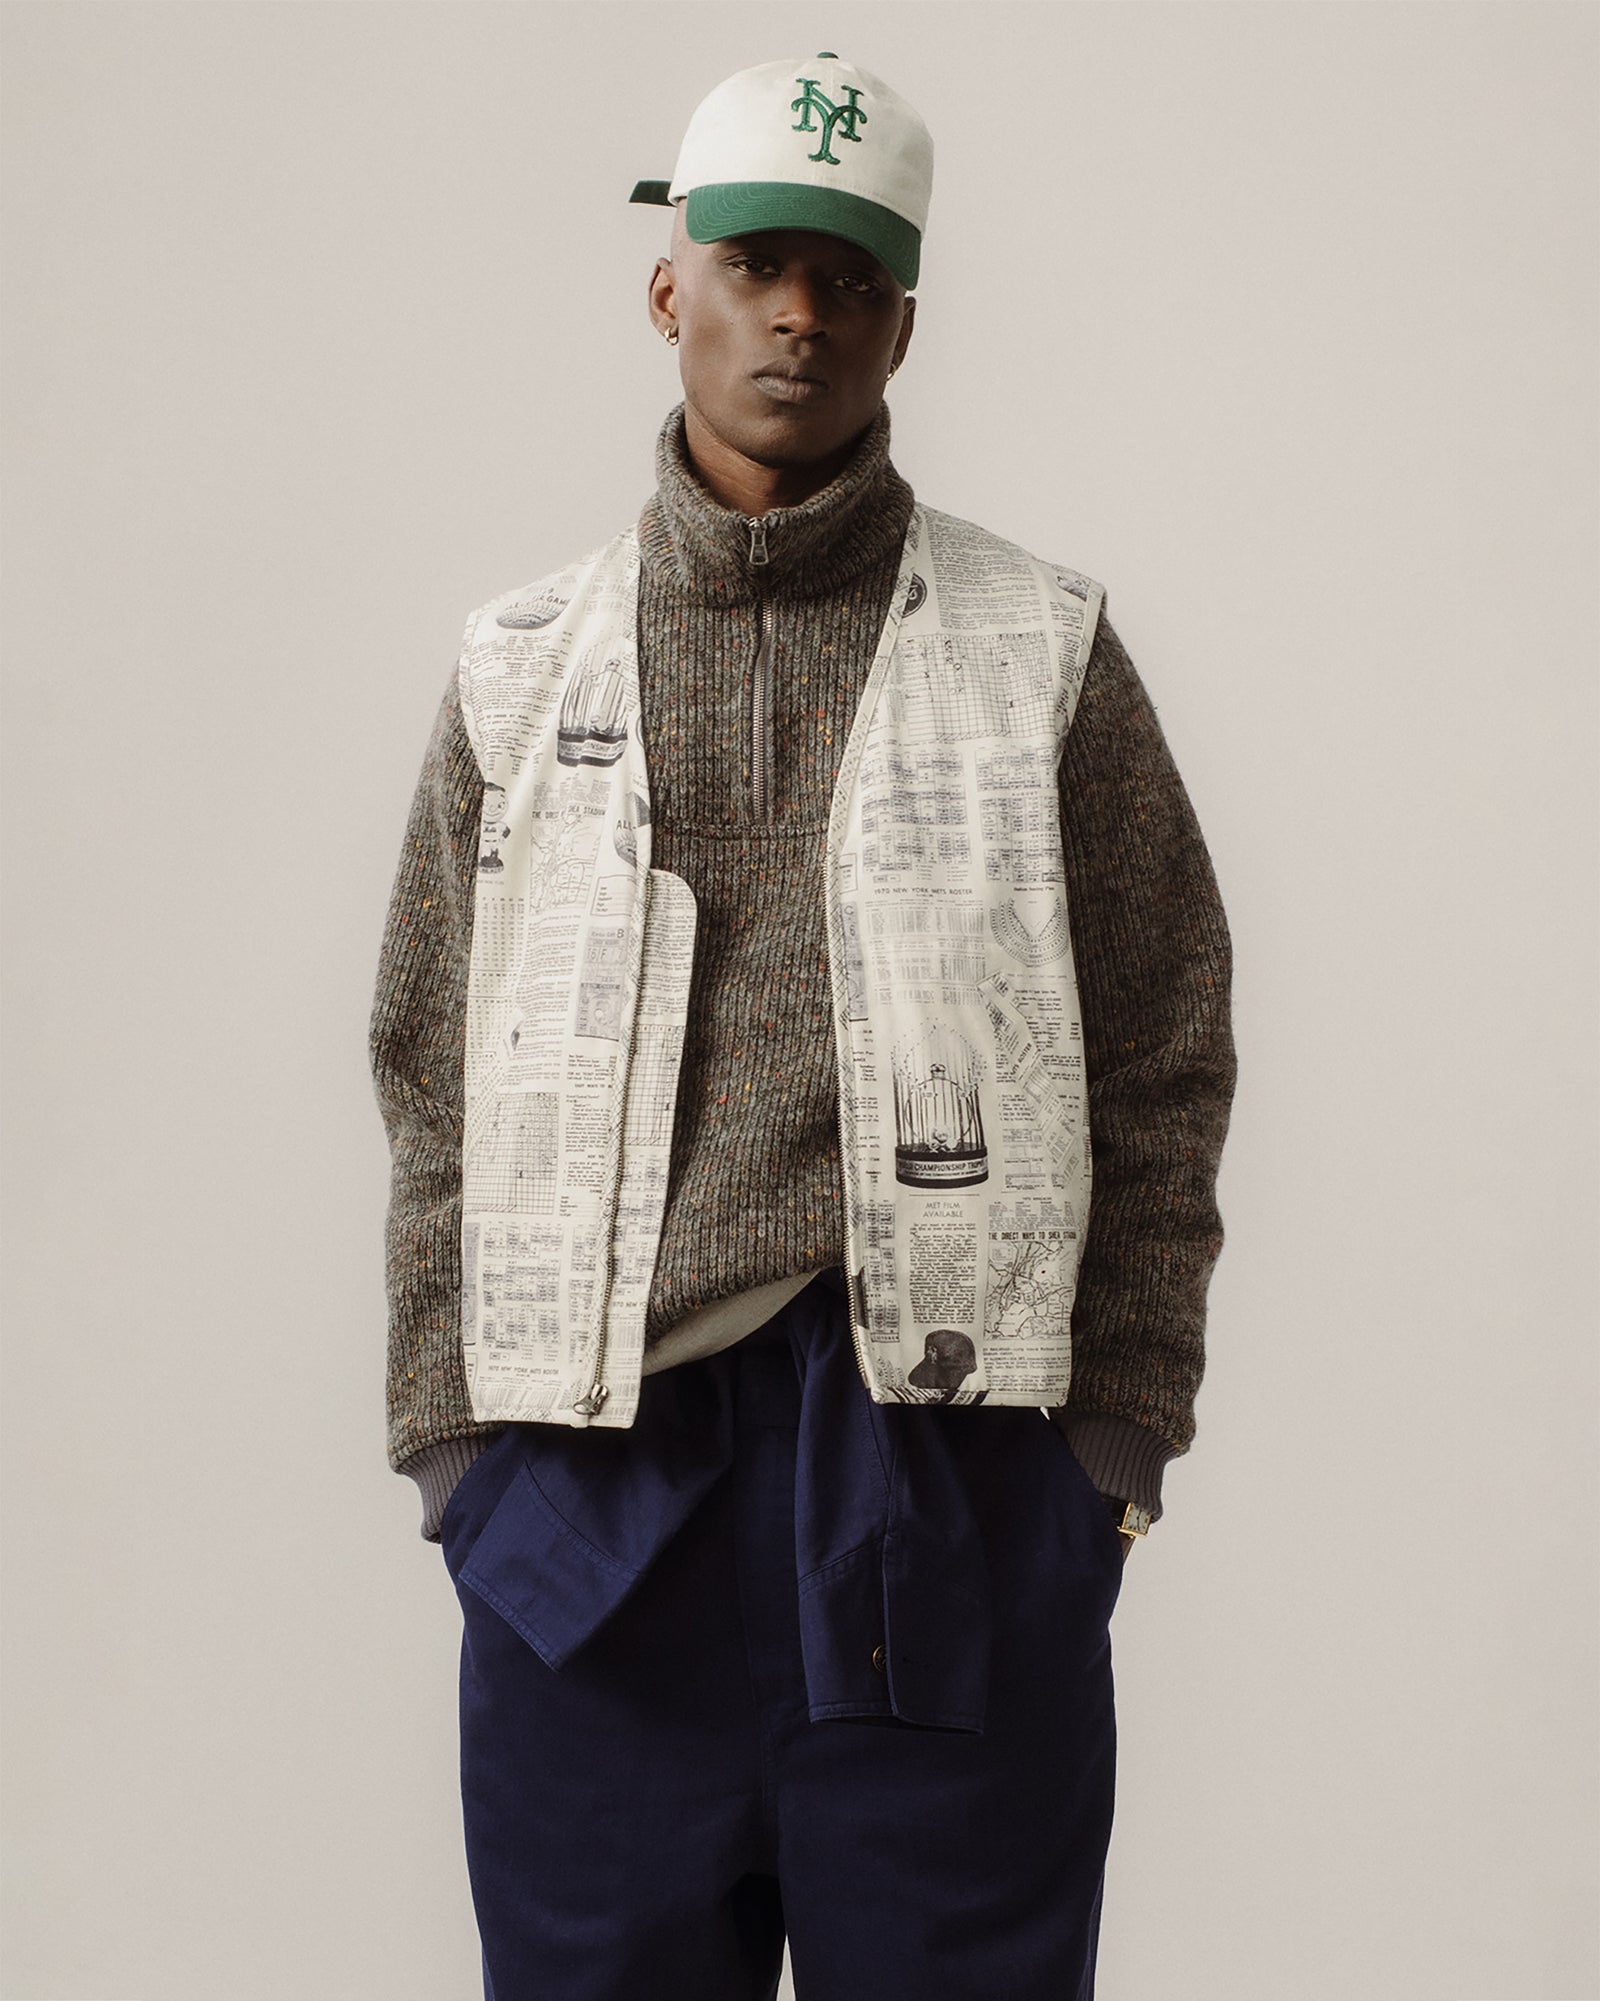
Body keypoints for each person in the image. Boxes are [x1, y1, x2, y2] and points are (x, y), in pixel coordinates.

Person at [369, 51, 1236, 2001]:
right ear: (665, 287)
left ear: (901, 322)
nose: (799, 317)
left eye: (849, 280)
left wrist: (1105, 1448)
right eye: (757, 264)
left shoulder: (1042, 653)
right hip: (595, 1489)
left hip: (944, 1482)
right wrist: (459, 1460)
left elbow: (1163, 1047)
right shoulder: (520, 671)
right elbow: (429, 1070)